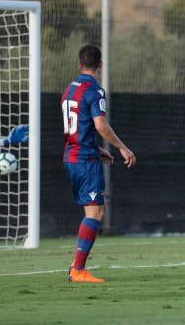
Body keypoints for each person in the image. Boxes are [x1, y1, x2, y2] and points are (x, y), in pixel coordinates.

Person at [62, 45, 136, 283]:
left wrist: (96, 147)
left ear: (79, 64)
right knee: (95, 212)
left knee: (92, 211)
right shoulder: (95, 91)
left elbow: (76, 126)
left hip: (72, 156)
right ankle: (78, 270)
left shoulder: (69, 90)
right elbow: (100, 125)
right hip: (85, 160)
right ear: (100, 65)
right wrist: (122, 148)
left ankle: (76, 265)